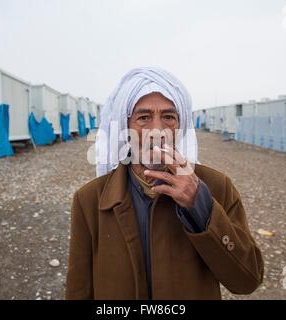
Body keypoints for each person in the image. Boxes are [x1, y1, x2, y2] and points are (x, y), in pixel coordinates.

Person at [66, 67, 263, 299]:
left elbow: (247, 280)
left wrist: (200, 205)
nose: (157, 131)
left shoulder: (217, 187)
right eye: (144, 117)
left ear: (180, 127)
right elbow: (79, 289)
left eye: (168, 117)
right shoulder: (90, 200)